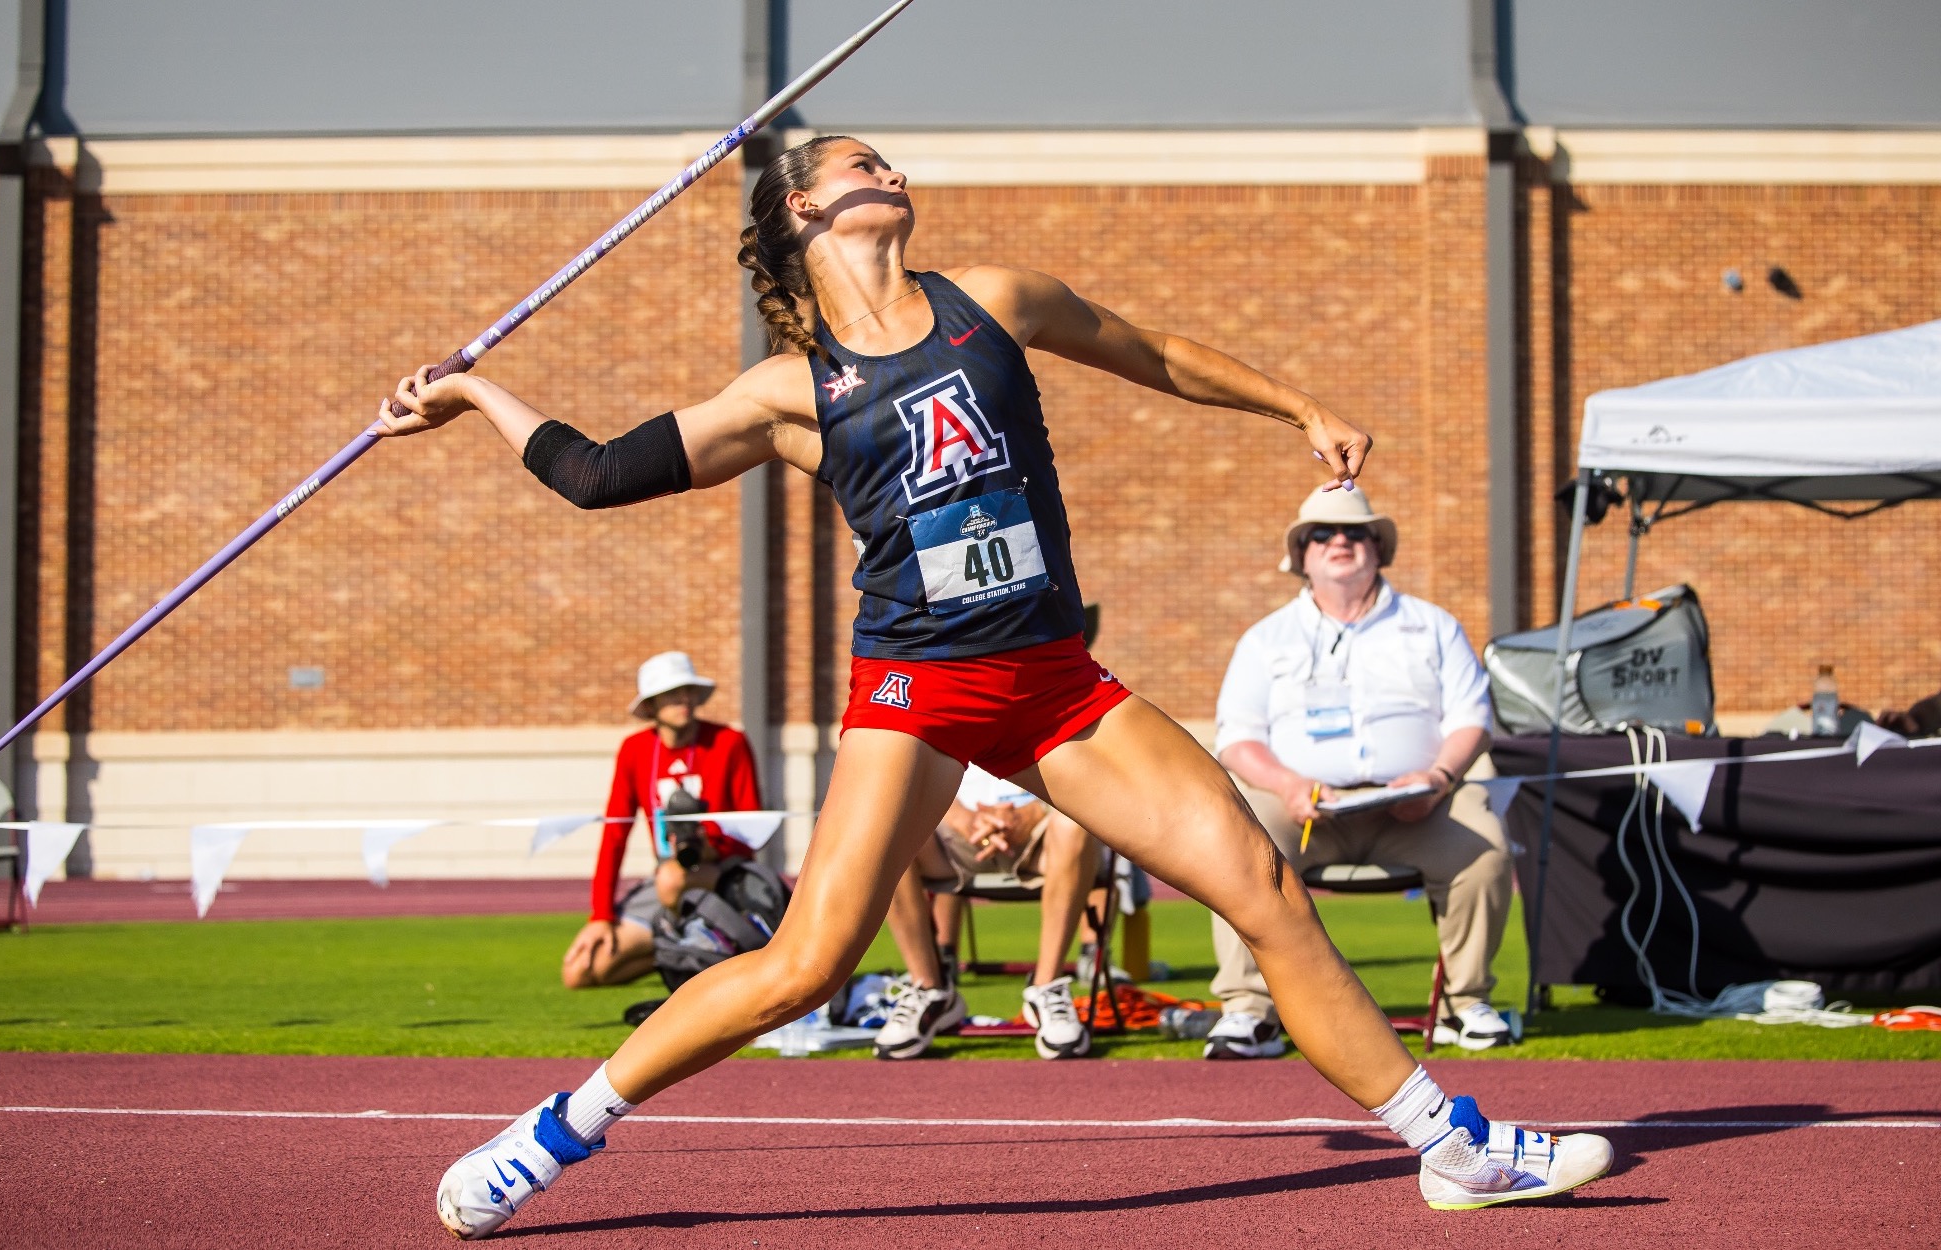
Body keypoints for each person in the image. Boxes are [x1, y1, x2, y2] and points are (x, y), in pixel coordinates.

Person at [377, 135, 1611, 1236]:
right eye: (862, 164)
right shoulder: (790, 392)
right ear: (802, 207)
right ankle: (552, 1132)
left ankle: (1452, 1146)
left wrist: (1299, 408)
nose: (892, 173)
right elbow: (595, 474)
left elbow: (1155, 352)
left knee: (1263, 885)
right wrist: (473, 391)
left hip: (1055, 683)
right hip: (916, 691)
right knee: (806, 966)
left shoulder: (995, 301)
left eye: (890, 162)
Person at [1205, 485, 1515, 1059]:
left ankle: (1465, 1003)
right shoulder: (1265, 638)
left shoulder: (1433, 625)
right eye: (1322, 534)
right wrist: (1286, 784)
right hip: (1303, 809)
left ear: (1378, 548)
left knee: (1484, 846)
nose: (1339, 541)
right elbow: (1237, 739)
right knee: (1234, 846)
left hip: (1419, 805)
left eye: (1355, 532)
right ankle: (1250, 1012)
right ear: (1302, 554)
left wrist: (1439, 778)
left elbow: (1473, 718)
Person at [561, 651, 764, 989]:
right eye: (671, 693)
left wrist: (710, 848)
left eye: (688, 690)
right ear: (651, 705)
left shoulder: (729, 742)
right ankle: (685, 953)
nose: (683, 700)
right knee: (580, 972)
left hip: (722, 872)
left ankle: (704, 946)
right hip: (665, 877)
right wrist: (601, 915)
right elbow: (614, 835)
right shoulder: (634, 750)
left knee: (671, 878)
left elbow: (752, 832)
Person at [874, 762, 1101, 1060]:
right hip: (955, 829)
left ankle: (1046, 987)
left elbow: (1087, 770)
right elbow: (917, 769)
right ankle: (930, 990)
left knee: (1074, 823)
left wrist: (1035, 812)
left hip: (1041, 831)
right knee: (886, 826)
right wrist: (961, 817)